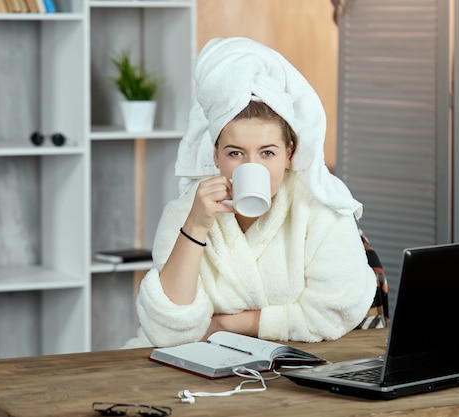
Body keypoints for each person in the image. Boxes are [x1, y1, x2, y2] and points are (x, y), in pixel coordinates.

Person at [124, 37, 376, 348]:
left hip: (293, 366)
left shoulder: (319, 208)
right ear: (215, 156)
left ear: (289, 153)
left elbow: (334, 312)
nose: (251, 165)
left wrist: (227, 325)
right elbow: (167, 329)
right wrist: (195, 226)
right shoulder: (187, 211)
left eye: (267, 153)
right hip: (195, 364)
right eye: (235, 153)